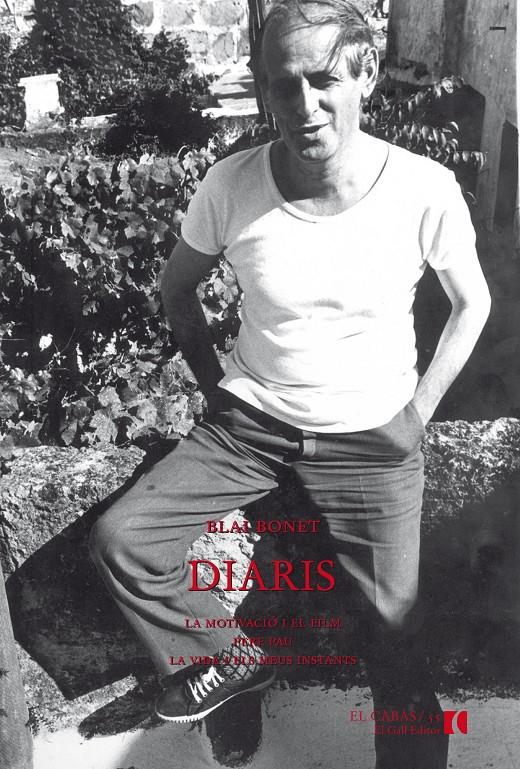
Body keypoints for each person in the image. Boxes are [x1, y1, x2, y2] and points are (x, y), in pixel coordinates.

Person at [89, 1, 491, 766]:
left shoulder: (423, 187)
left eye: (323, 79)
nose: (304, 105)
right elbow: (177, 290)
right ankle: (228, 664)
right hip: (249, 426)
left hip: (373, 438)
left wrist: (418, 411)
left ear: (365, 75)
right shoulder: (231, 184)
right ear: (264, 89)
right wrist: (219, 390)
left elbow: (473, 304)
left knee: (397, 652)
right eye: (283, 84)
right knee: (125, 540)